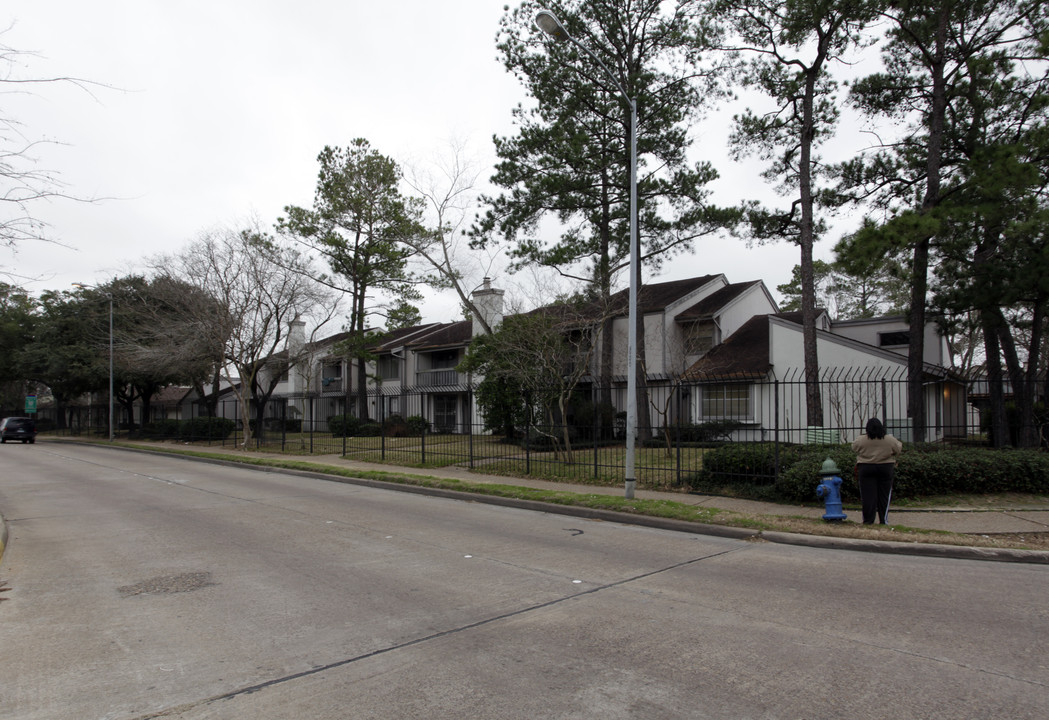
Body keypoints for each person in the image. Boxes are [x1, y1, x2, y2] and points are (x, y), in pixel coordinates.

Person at [851, 418, 903, 525]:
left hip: (866, 467)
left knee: (867, 496)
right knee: (884, 495)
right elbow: (898, 449)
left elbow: (854, 447)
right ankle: (883, 520)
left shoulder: (862, 440)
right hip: (885, 467)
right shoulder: (889, 439)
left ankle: (868, 520)